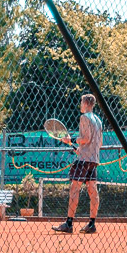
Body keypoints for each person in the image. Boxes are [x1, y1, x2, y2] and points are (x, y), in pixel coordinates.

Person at [54, 93, 102, 234]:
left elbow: (85, 138)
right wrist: (80, 148)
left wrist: (72, 139)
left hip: (83, 161)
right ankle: (92, 224)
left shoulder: (84, 117)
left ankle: (69, 223)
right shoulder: (98, 120)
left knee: (74, 189)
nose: (80, 105)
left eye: (81, 102)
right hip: (93, 159)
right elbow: (98, 142)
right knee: (93, 191)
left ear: (86, 103)